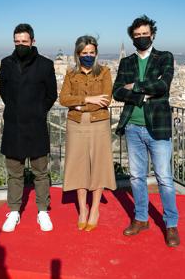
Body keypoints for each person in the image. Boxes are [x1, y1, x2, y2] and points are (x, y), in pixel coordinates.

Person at [113, 15, 180, 247]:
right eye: (137, 35)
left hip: (158, 126)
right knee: (137, 177)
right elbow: (117, 92)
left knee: (164, 178)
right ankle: (141, 219)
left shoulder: (165, 57)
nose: (141, 38)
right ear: (132, 37)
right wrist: (145, 94)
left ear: (152, 34)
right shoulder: (126, 62)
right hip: (133, 126)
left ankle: (171, 225)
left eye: (145, 34)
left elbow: (164, 86)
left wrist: (135, 87)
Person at [0, 23, 57, 232]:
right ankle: (14, 211)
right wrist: (17, 110)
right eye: (17, 42)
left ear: (33, 41)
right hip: (14, 126)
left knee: (41, 172)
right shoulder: (6, 63)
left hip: (36, 126)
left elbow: (52, 94)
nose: (21, 45)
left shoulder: (45, 65)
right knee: (14, 173)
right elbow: (3, 91)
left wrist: (37, 111)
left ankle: (43, 211)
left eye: (24, 41)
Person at [59, 35, 116, 231]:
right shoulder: (70, 73)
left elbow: (106, 100)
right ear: (78, 53)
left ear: (96, 53)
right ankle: (83, 209)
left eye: (92, 52)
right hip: (76, 125)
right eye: (85, 53)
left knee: (98, 166)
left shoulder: (105, 72)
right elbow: (63, 99)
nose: (88, 56)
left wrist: (79, 105)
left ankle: (95, 210)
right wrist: (89, 100)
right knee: (78, 167)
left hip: (99, 124)